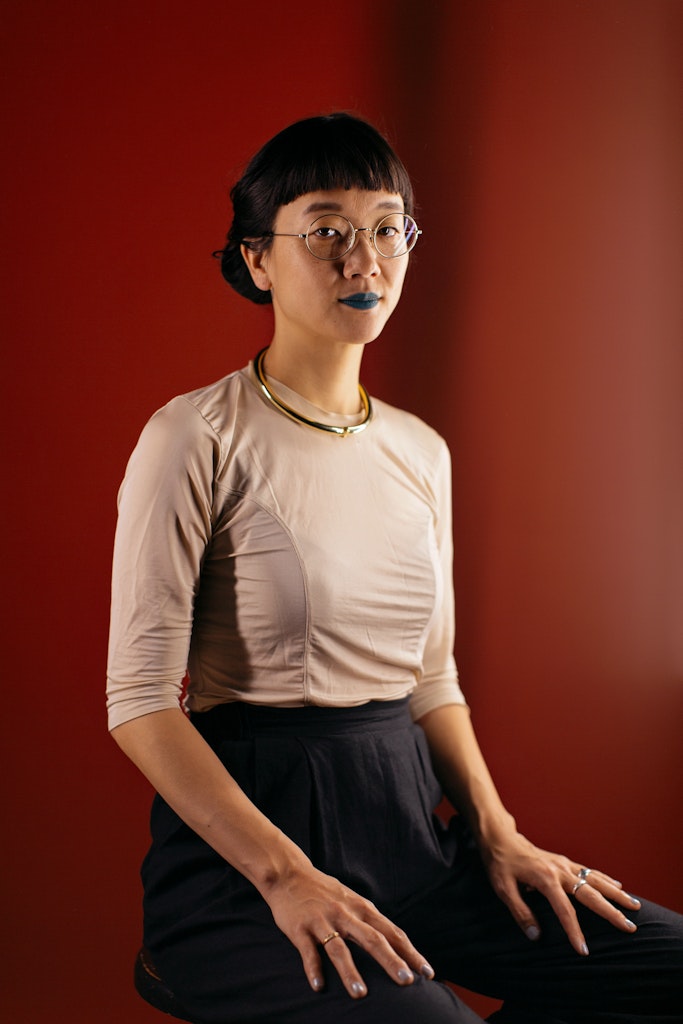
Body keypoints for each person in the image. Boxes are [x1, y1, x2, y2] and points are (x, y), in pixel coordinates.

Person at [107, 113, 683, 1023]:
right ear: (257, 258)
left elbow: (430, 677)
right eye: (326, 230)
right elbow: (138, 700)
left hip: (413, 833)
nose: (362, 259)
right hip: (249, 858)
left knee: (668, 967)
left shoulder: (419, 450)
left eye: (386, 228)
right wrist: (287, 877)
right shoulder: (194, 436)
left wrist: (499, 834)